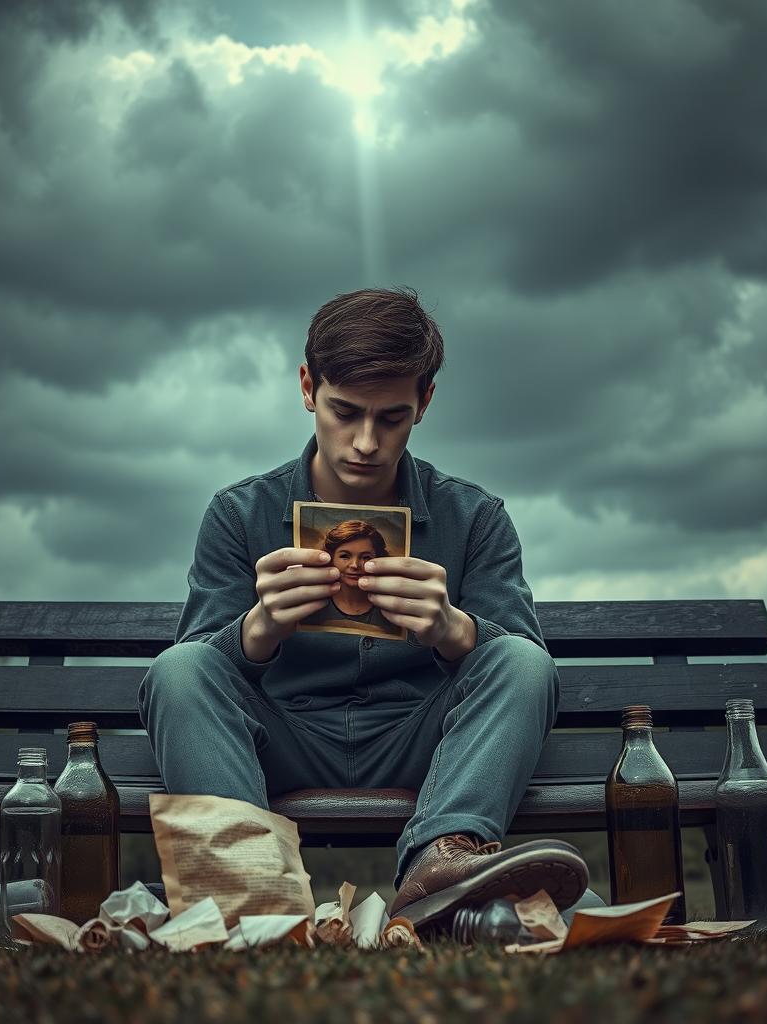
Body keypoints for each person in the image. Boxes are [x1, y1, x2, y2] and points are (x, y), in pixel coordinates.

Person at [139, 286, 601, 933]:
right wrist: (256, 631)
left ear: (425, 403)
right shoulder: (237, 513)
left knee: (520, 660)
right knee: (178, 670)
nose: (364, 442)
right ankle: (250, 898)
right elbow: (194, 679)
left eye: (391, 418)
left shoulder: (476, 517)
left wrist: (452, 629)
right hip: (283, 739)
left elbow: (525, 672)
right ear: (307, 387)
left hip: (423, 742)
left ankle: (442, 865)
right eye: (344, 411)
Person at [302, 520, 397, 634]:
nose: (354, 565)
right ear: (331, 558)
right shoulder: (313, 605)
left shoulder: (390, 606)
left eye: (366, 557)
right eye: (345, 556)